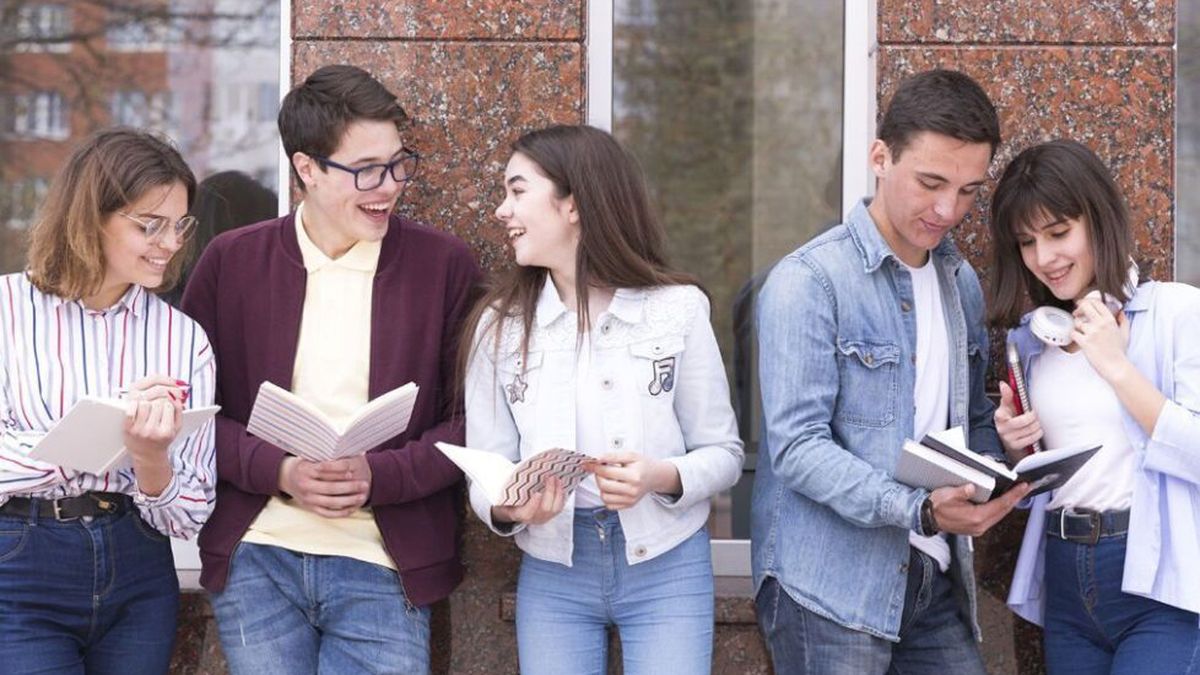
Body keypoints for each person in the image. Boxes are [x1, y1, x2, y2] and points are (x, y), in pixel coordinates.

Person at [182, 64, 481, 674]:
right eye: (366, 170)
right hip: (256, 555)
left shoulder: (444, 265)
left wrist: (381, 476)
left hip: (386, 562)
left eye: (399, 163)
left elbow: (474, 422)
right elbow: (186, 412)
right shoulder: (232, 262)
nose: (390, 186)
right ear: (306, 169)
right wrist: (280, 469)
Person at [750, 68, 1032, 674]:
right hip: (828, 588)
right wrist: (921, 509)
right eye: (930, 182)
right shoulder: (809, 283)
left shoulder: (960, 284)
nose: (946, 209)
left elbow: (970, 419)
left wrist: (996, 470)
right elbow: (797, 449)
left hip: (932, 575)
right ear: (880, 157)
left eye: (967, 191)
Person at [461, 124, 744, 674]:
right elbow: (485, 468)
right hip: (554, 568)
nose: (501, 210)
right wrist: (507, 505)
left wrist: (656, 476)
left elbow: (725, 453)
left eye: (518, 191)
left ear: (573, 203)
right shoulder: (498, 326)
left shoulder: (678, 309)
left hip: (667, 562)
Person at [0, 127, 216, 674]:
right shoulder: (6, 312)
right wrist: (105, 428)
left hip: (139, 565)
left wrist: (149, 459)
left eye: (180, 225)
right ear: (91, 217)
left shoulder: (182, 338)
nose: (171, 243)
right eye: (150, 225)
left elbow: (192, 511)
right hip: (22, 564)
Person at [989, 139, 1200, 674]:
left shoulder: (1176, 312)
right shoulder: (1035, 343)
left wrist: (1118, 369)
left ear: (1098, 219)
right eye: (1027, 242)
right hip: (1066, 579)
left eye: (1059, 233)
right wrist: (1018, 449)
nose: (1045, 258)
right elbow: (1051, 479)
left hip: (1158, 583)